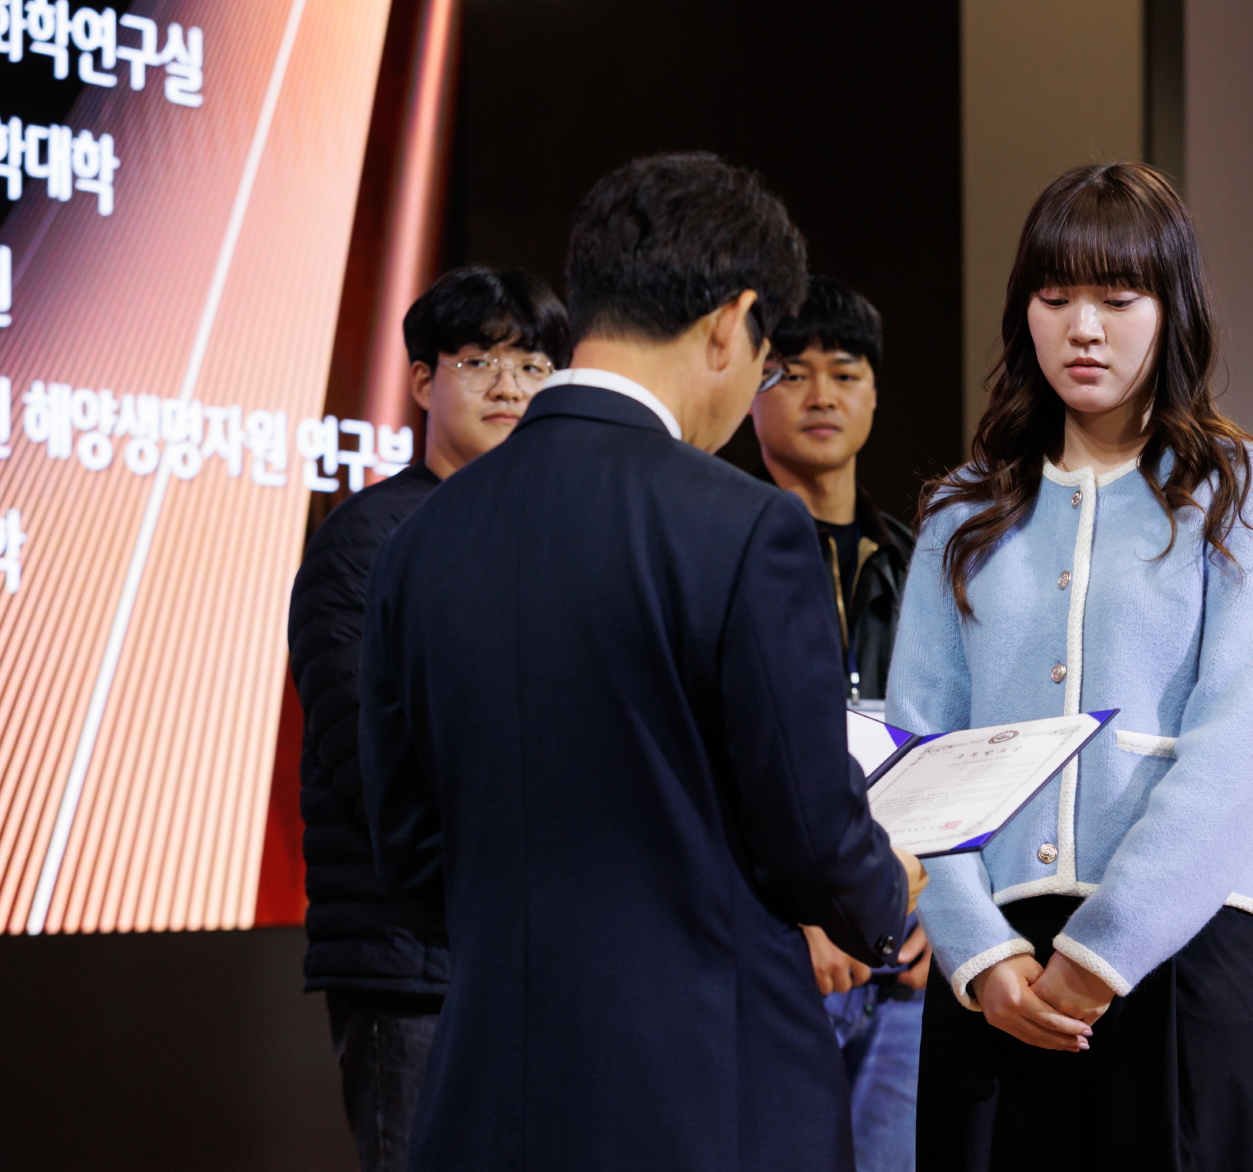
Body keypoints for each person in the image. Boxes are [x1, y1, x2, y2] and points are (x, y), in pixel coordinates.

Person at [359, 152, 926, 1172]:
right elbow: (809, 835)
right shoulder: (744, 527)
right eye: (767, 359)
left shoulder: (419, 541)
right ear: (730, 323)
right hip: (708, 1097)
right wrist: (888, 888)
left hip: (488, 1099)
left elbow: (406, 849)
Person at [888, 163, 1253, 1171]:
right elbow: (917, 751)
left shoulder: (1239, 492)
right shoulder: (962, 511)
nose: (1083, 329)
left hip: (1181, 958)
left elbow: (1236, 751)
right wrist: (977, 952)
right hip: (993, 976)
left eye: (1117, 300)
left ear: (1171, 310)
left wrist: (1102, 951)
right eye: (1055, 297)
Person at [288, 267, 571, 1172]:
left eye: (532, 365)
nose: (508, 386)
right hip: (414, 961)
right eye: (479, 361)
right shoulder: (365, 542)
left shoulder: (558, 535)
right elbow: (367, 762)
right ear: (421, 381)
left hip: (537, 957)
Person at [749, 276, 927, 1172]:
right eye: (791, 372)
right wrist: (805, 921)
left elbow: (959, 747)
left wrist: (937, 914)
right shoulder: (725, 551)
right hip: (785, 960)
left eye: (845, 372)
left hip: (910, 961)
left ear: (876, 394)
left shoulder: (921, 562)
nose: (821, 394)